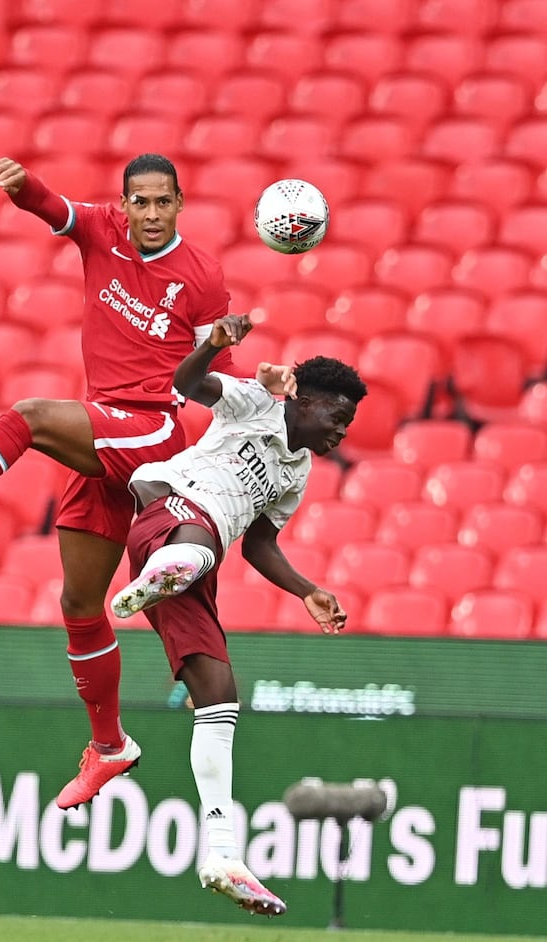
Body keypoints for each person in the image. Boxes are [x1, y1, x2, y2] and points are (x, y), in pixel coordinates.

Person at [0, 153, 297, 810]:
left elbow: (216, 374)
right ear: (125, 203)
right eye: (139, 201)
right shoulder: (101, 229)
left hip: (150, 429)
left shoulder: (200, 275)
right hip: (103, 432)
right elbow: (52, 208)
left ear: (180, 203)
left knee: (28, 417)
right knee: (80, 607)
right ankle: (109, 747)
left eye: (162, 201)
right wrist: (22, 185)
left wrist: (267, 384)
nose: (150, 213)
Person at [109, 316, 367, 917]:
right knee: (198, 540)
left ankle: (221, 853)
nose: (342, 432)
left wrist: (307, 590)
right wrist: (216, 346)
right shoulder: (256, 400)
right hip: (167, 508)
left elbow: (258, 545)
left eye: (349, 423)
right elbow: (190, 382)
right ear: (308, 399)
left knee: (220, 695)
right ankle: (168, 568)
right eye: (338, 416)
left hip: (200, 561)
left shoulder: (295, 476)